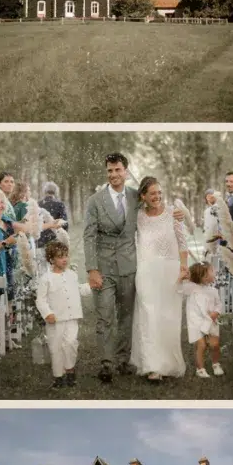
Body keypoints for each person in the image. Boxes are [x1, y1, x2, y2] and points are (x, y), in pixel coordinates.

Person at [84, 153, 140, 384]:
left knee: (126, 317)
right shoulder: (95, 201)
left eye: (118, 170)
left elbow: (155, 212)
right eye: (110, 170)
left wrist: (176, 214)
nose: (114, 174)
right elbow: (89, 236)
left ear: (126, 171)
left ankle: (123, 360)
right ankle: (106, 364)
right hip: (104, 268)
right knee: (105, 317)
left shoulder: (136, 197)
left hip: (129, 266)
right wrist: (92, 269)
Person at [130, 176, 188, 382]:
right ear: (143, 196)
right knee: (148, 315)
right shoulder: (137, 216)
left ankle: (168, 363)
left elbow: (182, 242)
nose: (157, 196)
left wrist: (183, 267)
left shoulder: (173, 213)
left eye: (159, 193)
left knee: (168, 317)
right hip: (146, 271)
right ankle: (152, 365)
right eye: (152, 193)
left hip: (170, 271)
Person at [35, 241, 90, 389]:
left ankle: (70, 369)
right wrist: (47, 313)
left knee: (71, 343)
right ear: (51, 259)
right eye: (60, 257)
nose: (64, 259)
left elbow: (78, 289)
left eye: (66, 256)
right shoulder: (46, 279)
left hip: (72, 317)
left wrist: (90, 286)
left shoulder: (72, 275)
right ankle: (58, 376)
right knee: (56, 347)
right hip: (55, 319)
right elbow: (41, 300)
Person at [179, 261, 223, 379]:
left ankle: (216, 363)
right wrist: (183, 278)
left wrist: (216, 312)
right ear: (204, 276)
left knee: (215, 344)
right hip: (196, 321)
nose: (214, 272)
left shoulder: (213, 291)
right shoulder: (191, 288)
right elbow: (179, 289)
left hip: (211, 320)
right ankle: (200, 369)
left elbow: (219, 304)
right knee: (201, 345)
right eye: (212, 270)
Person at [37, 181, 69, 248]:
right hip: (55, 239)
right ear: (56, 192)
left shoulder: (38, 204)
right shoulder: (60, 204)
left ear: (45, 191)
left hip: (40, 240)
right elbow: (64, 223)